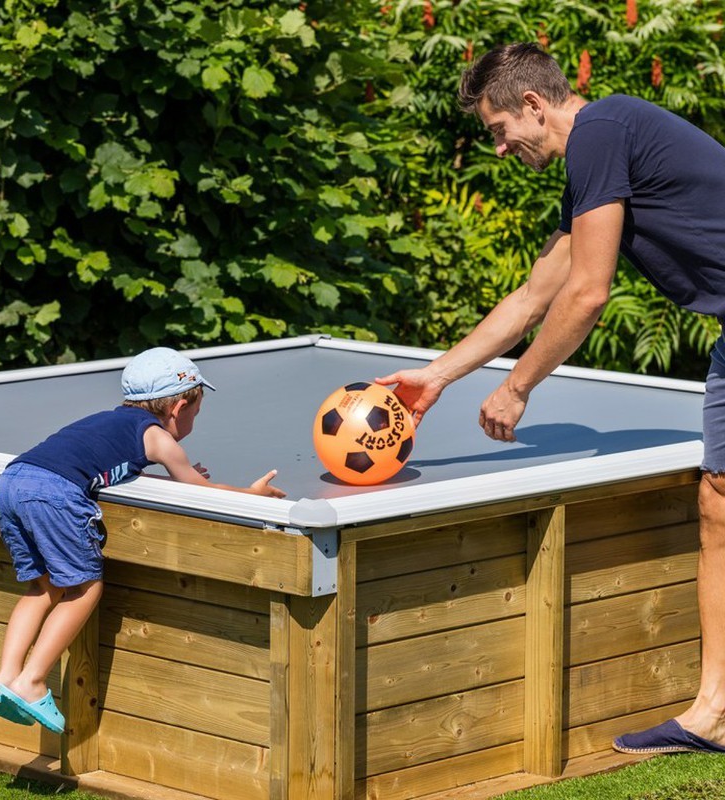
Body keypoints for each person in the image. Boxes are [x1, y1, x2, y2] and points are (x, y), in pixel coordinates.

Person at [377, 42, 725, 755]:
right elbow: (537, 292)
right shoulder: (602, 150)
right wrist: (437, 376)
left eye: (499, 131)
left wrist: (515, 388)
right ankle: (714, 714)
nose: (499, 149)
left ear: (533, 106)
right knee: (718, 502)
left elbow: (588, 294)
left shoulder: (600, 134)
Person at [0, 346, 285, 733]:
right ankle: (32, 681)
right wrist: (251, 493)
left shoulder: (107, 421)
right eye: (196, 411)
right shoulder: (159, 438)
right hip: (55, 494)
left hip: (13, 481)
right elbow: (201, 491)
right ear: (179, 408)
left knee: (41, 587)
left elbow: (100, 467)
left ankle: (4, 677)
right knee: (84, 587)